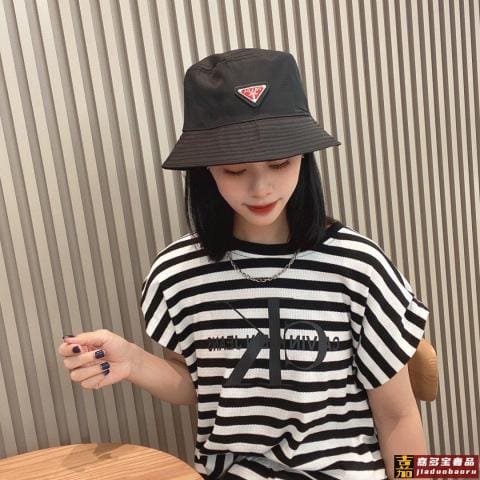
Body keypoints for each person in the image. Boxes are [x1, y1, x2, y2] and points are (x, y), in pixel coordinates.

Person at [58, 48, 430, 480]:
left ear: (304, 160)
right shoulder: (176, 274)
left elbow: (398, 417)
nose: (261, 187)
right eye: (235, 170)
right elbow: (200, 385)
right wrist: (133, 363)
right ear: (206, 171)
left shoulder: (357, 266)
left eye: (280, 163)